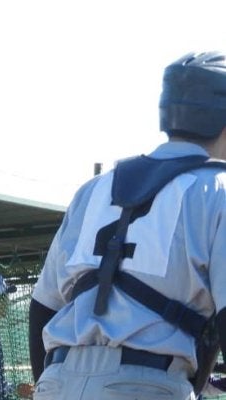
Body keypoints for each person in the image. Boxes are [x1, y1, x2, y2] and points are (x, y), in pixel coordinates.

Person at [28, 51, 226, 399]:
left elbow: (43, 308)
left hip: (57, 382)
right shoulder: (217, 190)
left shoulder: (95, 189)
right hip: (145, 386)